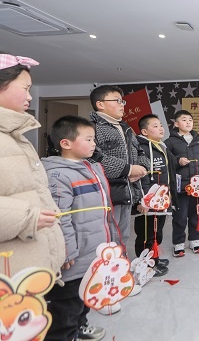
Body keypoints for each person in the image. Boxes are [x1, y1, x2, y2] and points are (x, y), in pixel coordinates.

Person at [42, 115, 109, 340]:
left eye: (93, 139)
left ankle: (81, 326)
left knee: (84, 298)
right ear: (66, 143)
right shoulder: (58, 175)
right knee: (66, 308)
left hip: (91, 251)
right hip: (73, 257)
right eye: (88, 139)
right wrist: (66, 250)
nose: (94, 144)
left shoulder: (90, 167)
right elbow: (60, 217)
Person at [0, 52, 66, 279]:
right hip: (9, 277)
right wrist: (27, 218)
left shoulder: (15, 136)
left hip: (26, 270)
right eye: (25, 88)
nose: (30, 97)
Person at [89, 85, 150, 255]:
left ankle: (121, 264)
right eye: (117, 101)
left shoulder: (126, 128)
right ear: (100, 104)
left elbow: (140, 152)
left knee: (123, 235)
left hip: (127, 191)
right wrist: (128, 170)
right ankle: (108, 267)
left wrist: (142, 168)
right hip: (108, 193)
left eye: (122, 101)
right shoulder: (92, 128)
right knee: (107, 236)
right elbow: (93, 157)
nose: (122, 105)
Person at [134, 114, 179, 275]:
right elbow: (141, 177)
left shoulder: (161, 146)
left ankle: (154, 258)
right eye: (155, 126)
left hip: (161, 198)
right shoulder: (141, 149)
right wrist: (143, 200)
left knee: (157, 231)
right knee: (146, 233)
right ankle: (145, 264)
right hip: (148, 201)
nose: (161, 128)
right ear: (144, 131)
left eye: (160, 125)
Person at [165, 110, 199, 256]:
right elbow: (166, 161)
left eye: (190, 120)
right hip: (181, 187)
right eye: (184, 120)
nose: (188, 122)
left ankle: (194, 240)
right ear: (176, 124)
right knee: (180, 217)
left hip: (198, 187)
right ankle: (178, 243)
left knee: (196, 214)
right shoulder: (169, 142)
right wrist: (177, 161)